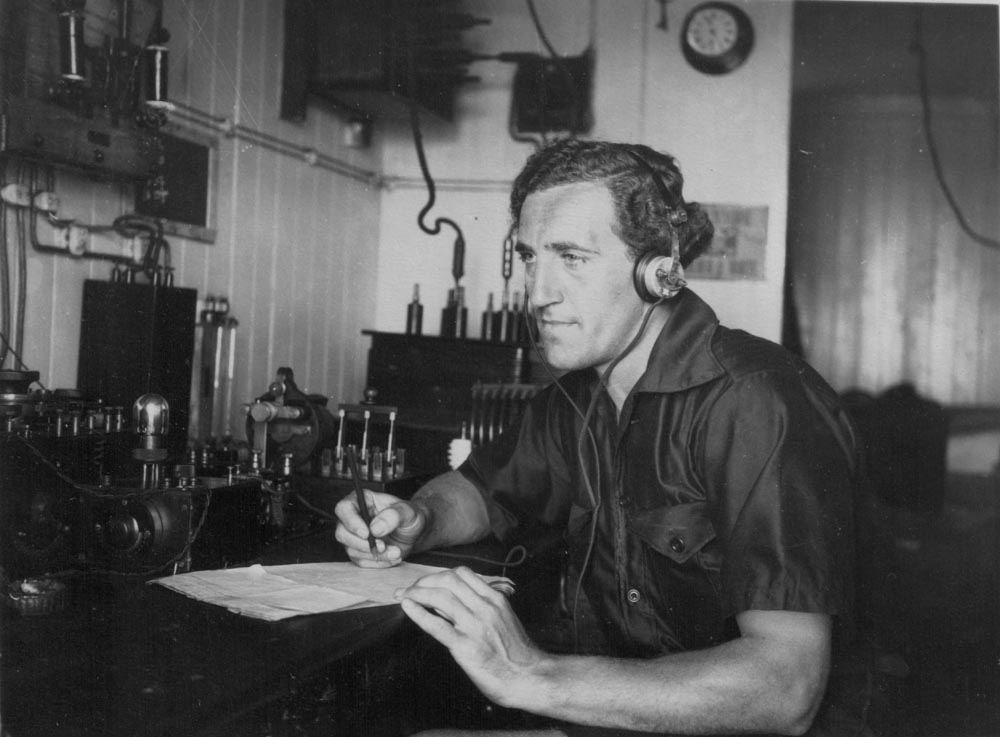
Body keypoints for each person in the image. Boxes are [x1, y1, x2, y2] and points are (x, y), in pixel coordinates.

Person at [335, 139, 872, 736]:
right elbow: (483, 490)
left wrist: (530, 674)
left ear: (656, 272)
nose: (538, 293)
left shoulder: (758, 402)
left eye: (572, 257)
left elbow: (787, 687)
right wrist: (417, 519)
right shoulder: (575, 399)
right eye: (530, 257)